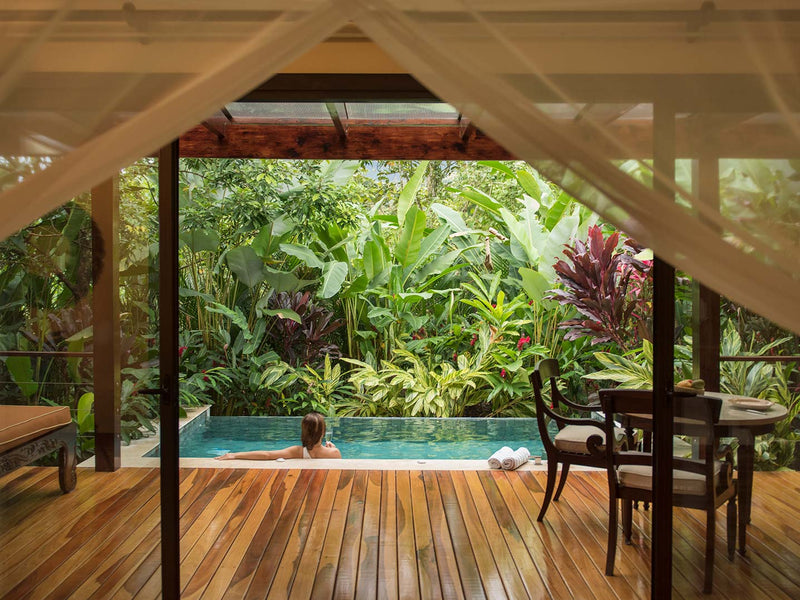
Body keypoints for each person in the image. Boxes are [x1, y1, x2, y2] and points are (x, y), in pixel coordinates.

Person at [215, 411, 341, 460]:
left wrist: (234, 455)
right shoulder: (334, 453)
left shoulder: (298, 451)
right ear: (323, 432)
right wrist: (332, 449)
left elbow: (267, 455)